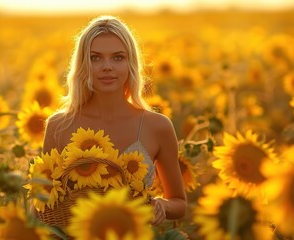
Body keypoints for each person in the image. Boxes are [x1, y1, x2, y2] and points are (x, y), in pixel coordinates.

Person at [42, 15, 187, 226]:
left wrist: (162, 206)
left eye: (118, 57)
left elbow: (180, 203)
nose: (107, 66)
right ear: (83, 64)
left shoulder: (157, 126)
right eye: (95, 57)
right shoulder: (59, 126)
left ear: (131, 64)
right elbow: (43, 201)